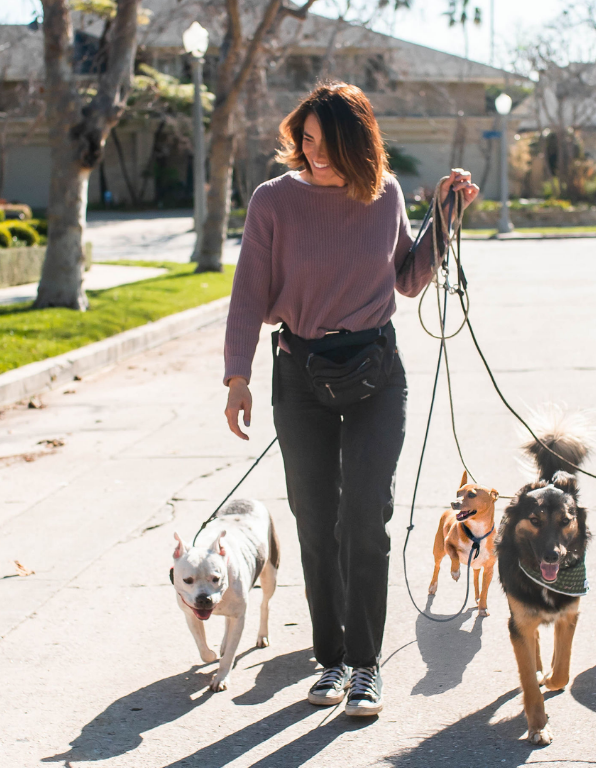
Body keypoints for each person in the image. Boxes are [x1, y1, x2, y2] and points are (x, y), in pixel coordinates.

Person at [222, 81, 479, 718]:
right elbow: (249, 293)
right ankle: (330, 661)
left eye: (327, 145)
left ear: (357, 145)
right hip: (300, 374)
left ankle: (366, 668)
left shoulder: (383, 194)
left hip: (374, 374)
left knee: (364, 521)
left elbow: (409, 279)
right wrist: (237, 377)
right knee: (316, 523)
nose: (314, 155)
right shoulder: (273, 201)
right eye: (306, 142)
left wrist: (444, 218)